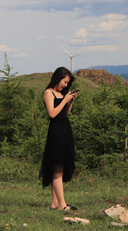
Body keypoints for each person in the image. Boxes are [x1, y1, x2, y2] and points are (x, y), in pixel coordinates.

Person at [39, 67, 79, 211]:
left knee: (60, 167)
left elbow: (64, 114)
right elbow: (52, 114)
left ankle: (55, 203)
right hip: (56, 132)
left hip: (65, 131)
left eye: (68, 83)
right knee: (57, 168)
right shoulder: (48, 93)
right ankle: (62, 205)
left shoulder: (61, 94)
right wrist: (65, 100)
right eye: (64, 81)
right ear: (58, 77)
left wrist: (71, 101)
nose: (65, 85)